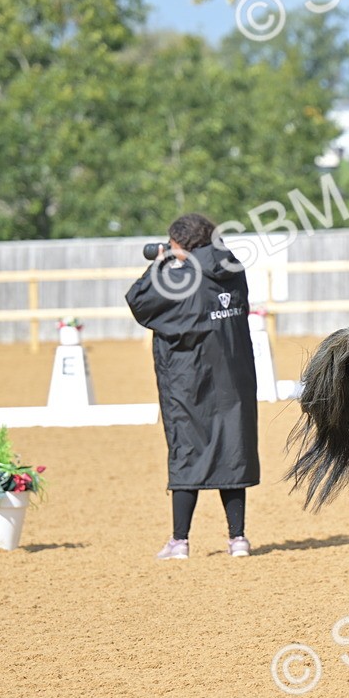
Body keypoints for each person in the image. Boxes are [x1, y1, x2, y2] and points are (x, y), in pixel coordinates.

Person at [125, 213, 260, 559]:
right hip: (233, 377)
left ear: (180, 244)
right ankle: (238, 539)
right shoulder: (234, 268)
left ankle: (180, 541)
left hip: (190, 377)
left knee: (187, 449)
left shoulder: (178, 277)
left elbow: (139, 301)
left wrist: (162, 263)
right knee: (234, 450)